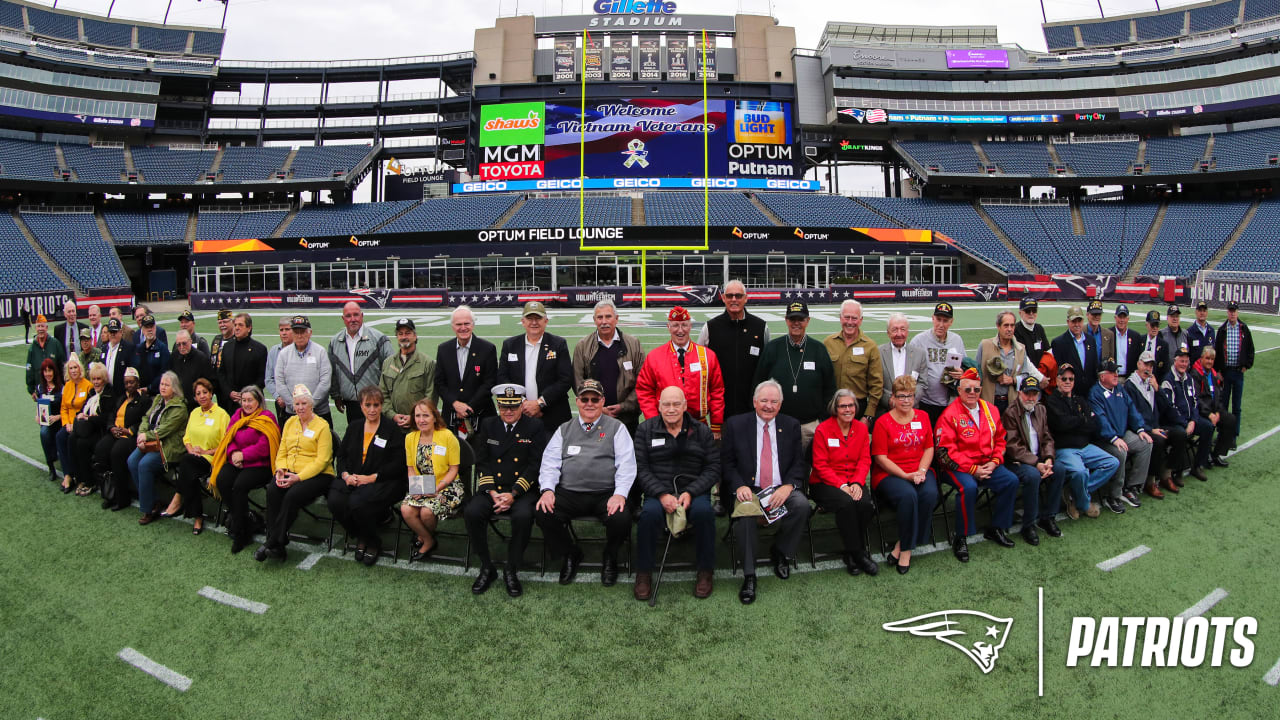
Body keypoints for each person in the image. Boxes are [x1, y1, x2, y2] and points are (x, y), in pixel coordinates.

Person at [535, 379, 636, 586]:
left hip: (605, 493)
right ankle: (570, 553)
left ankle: (610, 556)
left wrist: (620, 494)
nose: (589, 403)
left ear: (602, 401)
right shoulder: (564, 429)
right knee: (543, 512)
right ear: (577, 401)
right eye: (585, 399)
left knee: (621, 517)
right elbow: (549, 463)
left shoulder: (617, 428)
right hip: (569, 492)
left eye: (595, 399)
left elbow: (626, 464)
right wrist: (547, 489)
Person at [721, 379, 811, 605]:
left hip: (781, 486)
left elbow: (799, 463)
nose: (768, 406)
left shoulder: (790, 425)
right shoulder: (735, 424)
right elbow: (726, 463)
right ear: (754, 402)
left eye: (774, 401)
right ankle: (749, 575)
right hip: (748, 488)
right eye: (764, 401)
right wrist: (739, 485)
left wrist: (788, 486)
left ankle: (781, 552)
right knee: (746, 513)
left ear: (780, 404)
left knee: (801, 505)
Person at [632, 386, 721, 601]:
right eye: (666, 404)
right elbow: (640, 468)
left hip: (694, 492)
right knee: (649, 515)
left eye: (676, 404)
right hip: (658, 492)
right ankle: (643, 573)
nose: (671, 409)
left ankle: (705, 571)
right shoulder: (645, 430)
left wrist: (691, 492)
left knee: (704, 513)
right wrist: (662, 494)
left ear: (684, 406)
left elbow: (713, 468)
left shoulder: (702, 431)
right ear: (659, 406)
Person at [465, 384, 549, 597]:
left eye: (513, 407)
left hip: (521, 490)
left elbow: (535, 465)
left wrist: (513, 494)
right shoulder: (488, 424)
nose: (508, 412)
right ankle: (487, 567)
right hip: (493, 488)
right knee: (472, 512)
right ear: (498, 405)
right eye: (503, 407)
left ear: (521, 405)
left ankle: (511, 569)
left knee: (523, 516)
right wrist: (492, 492)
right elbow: (482, 461)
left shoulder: (535, 427)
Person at [934, 369, 1020, 562]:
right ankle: (961, 536)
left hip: (987, 464)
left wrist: (994, 462)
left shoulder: (991, 409)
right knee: (969, 486)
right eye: (967, 389)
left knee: (1011, 481)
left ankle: (996, 527)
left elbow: (1000, 439)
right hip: (957, 467)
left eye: (976, 389)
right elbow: (945, 453)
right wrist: (973, 469)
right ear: (959, 390)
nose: (972, 393)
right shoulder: (949, 414)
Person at [255, 385, 334, 562]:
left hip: (318, 475)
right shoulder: (290, 423)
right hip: (290, 472)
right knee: (273, 490)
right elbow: (282, 450)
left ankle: (272, 541)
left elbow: (322, 460)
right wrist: (280, 469)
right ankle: (278, 546)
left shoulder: (322, 426)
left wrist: (298, 477)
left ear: (311, 404)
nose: (300, 407)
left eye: (304, 403)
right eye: (297, 404)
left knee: (292, 495)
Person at [329, 386, 406, 567]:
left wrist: (372, 478)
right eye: (368, 405)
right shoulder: (354, 426)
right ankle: (362, 534)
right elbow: (341, 456)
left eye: (376, 405)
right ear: (361, 406)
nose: (372, 410)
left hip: (385, 481)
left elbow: (398, 463)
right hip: (354, 479)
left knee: (358, 503)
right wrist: (346, 475)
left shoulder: (391, 429)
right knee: (334, 501)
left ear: (381, 406)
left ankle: (372, 542)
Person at [872, 375, 938, 575]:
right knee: (908, 496)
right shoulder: (883, 422)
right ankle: (907, 551)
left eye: (910, 395)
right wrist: (905, 475)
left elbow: (929, 448)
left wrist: (922, 471)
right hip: (890, 473)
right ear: (893, 397)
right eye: (901, 396)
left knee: (929, 494)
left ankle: (901, 545)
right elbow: (880, 457)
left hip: (919, 470)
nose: (906, 400)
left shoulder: (923, 417)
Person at [809, 388, 880, 577]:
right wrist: (842, 486)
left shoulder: (862, 429)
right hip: (825, 483)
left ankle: (850, 552)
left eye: (851, 405)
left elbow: (865, 459)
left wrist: (857, 483)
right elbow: (820, 465)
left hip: (853, 481)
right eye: (843, 406)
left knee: (865, 505)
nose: (847, 409)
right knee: (846, 503)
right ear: (835, 408)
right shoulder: (823, 430)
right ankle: (858, 553)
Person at [208, 386, 280, 553]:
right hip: (237, 461)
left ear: (259, 401)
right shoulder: (237, 416)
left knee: (239, 486)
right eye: (244, 400)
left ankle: (241, 533)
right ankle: (247, 519)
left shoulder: (267, 417)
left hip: (260, 465)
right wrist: (233, 453)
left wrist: (243, 455)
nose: (247, 404)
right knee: (222, 480)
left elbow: (264, 446)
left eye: (250, 401)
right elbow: (229, 437)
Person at [1043, 363, 1118, 520]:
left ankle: (1073, 492)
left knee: (1112, 463)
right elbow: (1061, 424)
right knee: (1080, 472)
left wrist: (1076, 422)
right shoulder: (1051, 401)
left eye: (1071, 379)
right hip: (1065, 449)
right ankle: (1084, 504)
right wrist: (1082, 420)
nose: (1068, 382)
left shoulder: (1080, 400)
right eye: (1064, 378)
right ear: (1057, 380)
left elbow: (1093, 424)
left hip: (1085, 446)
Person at [636, 306, 725, 437]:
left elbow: (717, 391)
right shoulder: (655, 357)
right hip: (665, 426)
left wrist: (716, 425)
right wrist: (654, 421)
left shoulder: (707, 356)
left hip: (698, 426)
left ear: (690, 326)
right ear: (668, 327)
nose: (680, 330)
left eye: (684, 325)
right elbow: (644, 391)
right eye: (675, 325)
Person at [758, 301, 835, 450]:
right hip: (777, 424)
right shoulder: (773, 348)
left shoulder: (818, 349)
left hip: (811, 426)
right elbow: (758, 384)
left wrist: (822, 421)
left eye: (801, 319)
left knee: (808, 467)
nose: (796, 323)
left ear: (808, 321)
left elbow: (830, 388)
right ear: (786, 320)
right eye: (792, 319)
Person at [1002, 376, 1066, 545]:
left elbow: (1047, 438)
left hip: (1040, 458)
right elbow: (1012, 446)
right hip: (1018, 461)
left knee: (1059, 469)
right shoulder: (1010, 412)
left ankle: (1048, 517)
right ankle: (1028, 524)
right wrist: (1036, 463)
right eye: (1027, 394)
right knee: (1032, 476)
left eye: (1034, 394)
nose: (1030, 398)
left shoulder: (1041, 409)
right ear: (1019, 393)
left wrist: (1049, 459)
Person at [162, 379, 229, 535]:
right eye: (198, 394)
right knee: (189, 471)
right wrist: (191, 450)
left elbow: (226, 444)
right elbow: (186, 438)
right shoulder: (194, 413)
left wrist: (205, 452)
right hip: (192, 458)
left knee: (186, 463)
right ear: (195, 398)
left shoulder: (222, 415)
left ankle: (179, 498)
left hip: (211, 459)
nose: (202, 396)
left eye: (205, 392)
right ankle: (198, 517)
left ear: (211, 393)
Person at [400, 397, 462, 562]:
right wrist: (416, 489)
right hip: (422, 484)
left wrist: (437, 488)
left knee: (427, 512)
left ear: (435, 417)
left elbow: (454, 470)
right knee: (406, 510)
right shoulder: (410, 438)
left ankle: (424, 539)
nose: (421, 420)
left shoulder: (447, 436)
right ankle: (428, 538)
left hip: (448, 485)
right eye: (418, 416)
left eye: (426, 415)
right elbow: (411, 469)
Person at [497, 302, 574, 434]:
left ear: (546, 321)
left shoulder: (558, 344)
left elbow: (565, 379)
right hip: (520, 414)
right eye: (529, 318)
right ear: (523, 321)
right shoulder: (510, 345)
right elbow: (503, 378)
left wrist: (540, 403)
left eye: (538, 318)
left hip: (553, 415)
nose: (534, 322)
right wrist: (523, 403)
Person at [698, 280, 769, 420]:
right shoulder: (710, 327)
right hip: (720, 408)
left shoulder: (760, 327)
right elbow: (701, 364)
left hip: (752, 408)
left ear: (746, 298)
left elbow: (766, 365)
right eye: (729, 296)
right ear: (723, 298)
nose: (734, 299)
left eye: (738, 295)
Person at [1090, 359, 1155, 512]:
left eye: (1116, 372)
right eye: (1112, 372)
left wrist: (1140, 429)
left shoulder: (1120, 389)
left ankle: (1131, 486)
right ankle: (1113, 495)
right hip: (1104, 439)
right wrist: (1113, 438)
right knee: (1120, 452)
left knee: (1145, 443)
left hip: (1122, 433)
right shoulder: (1095, 394)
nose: (1116, 375)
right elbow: (1100, 420)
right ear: (1102, 376)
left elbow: (1131, 409)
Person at [572, 300, 643, 433]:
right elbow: (577, 382)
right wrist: (598, 407)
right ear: (594, 320)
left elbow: (642, 381)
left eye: (608, 316)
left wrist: (624, 406)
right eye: (600, 317)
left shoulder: (633, 344)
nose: (604, 321)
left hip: (628, 419)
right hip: (594, 418)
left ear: (616, 319)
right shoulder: (582, 346)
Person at [128, 371, 189, 524]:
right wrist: (141, 433)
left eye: (166, 385)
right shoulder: (158, 399)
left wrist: (146, 436)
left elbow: (165, 429)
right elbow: (145, 418)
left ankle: (148, 509)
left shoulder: (180, 408)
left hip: (168, 446)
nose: (162, 387)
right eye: (162, 384)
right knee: (132, 461)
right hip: (151, 441)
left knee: (144, 465)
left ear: (174, 388)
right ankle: (152, 500)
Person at [1126, 351, 1188, 497]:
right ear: (1138, 364)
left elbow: (1166, 407)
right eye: (1145, 364)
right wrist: (1151, 429)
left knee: (1180, 434)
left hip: (1157, 425)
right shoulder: (1130, 385)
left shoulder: (1152, 382)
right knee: (1158, 441)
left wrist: (1158, 389)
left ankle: (1166, 474)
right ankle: (1150, 480)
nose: (1148, 368)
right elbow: (1132, 415)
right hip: (1141, 429)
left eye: (1151, 366)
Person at [434, 305, 496, 436]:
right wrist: (455, 404)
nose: (463, 328)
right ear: (452, 326)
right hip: (451, 415)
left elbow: (490, 382)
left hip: (481, 415)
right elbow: (439, 383)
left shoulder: (488, 349)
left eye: (467, 323)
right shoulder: (443, 349)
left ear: (473, 324)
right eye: (458, 324)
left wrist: (469, 407)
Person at [330, 301, 393, 430]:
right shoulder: (335, 342)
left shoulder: (379, 338)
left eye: (356, 315)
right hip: (351, 403)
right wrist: (336, 395)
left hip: (375, 403)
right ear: (343, 319)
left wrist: (387, 397)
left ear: (362, 316)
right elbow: (333, 372)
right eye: (348, 316)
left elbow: (390, 371)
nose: (352, 319)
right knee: (357, 440)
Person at [95, 368, 149, 511]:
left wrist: (130, 430)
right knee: (101, 449)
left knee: (116, 453)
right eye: (126, 383)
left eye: (131, 382)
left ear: (137, 383)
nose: (129, 385)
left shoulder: (144, 400)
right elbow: (112, 416)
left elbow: (145, 421)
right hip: (116, 433)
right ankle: (108, 494)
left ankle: (122, 497)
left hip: (130, 437)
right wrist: (112, 427)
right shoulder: (121, 398)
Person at [822, 299, 883, 427]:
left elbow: (876, 385)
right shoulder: (828, 343)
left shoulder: (870, 347)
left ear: (860, 320)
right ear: (840, 318)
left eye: (854, 318)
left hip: (858, 408)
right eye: (846, 317)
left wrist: (868, 416)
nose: (850, 322)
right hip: (832, 407)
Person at [976, 311, 1043, 417]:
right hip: (989, 402)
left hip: (1011, 403)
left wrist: (1013, 380)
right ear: (998, 326)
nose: (1009, 329)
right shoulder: (985, 345)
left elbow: (1026, 375)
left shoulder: (1021, 349)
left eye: (1012, 325)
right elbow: (977, 373)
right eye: (1006, 325)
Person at [910, 302, 966, 425]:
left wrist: (961, 373)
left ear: (951, 322)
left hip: (950, 403)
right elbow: (909, 371)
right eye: (938, 319)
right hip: (925, 403)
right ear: (932, 318)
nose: (941, 324)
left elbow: (965, 366)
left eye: (945, 321)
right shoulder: (919, 341)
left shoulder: (957, 340)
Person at [1162, 347, 1213, 481]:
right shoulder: (1168, 381)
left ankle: (1197, 466)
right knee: (1181, 434)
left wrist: (1193, 421)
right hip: (1175, 423)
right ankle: (1177, 470)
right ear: (1175, 361)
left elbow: (1196, 402)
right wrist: (1185, 423)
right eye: (1181, 361)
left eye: (1186, 361)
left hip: (1189, 421)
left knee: (1208, 427)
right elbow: (1170, 409)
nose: (1184, 364)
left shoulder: (1189, 378)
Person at [380, 318, 438, 430]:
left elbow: (431, 397)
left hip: (419, 426)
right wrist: (393, 415)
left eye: (408, 333)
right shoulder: (388, 363)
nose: (404, 336)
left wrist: (415, 417)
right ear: (397, 337)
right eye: (400, 334)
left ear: (415, 336)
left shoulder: (427, 363)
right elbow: (383, 394)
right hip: (393, 425)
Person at [274, 315, 333, 428]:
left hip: (319, 412)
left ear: (310, 333)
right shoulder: (283, 354)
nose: (300, 335)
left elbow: (325, 381)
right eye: (296, 332)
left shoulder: (320, 352)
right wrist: (295, 405)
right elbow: (280, 382)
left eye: (303, 331)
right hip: (292, 413)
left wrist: (310, 405)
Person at [69, 362, 113, 496]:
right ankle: (78, 476)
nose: (96, 382)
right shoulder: (92, 393)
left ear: (104, 379)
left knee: (82, 444)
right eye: (93, 379)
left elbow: (106, 418)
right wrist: (81, 415)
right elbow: (83, 409)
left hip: (100, 431)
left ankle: (90, 481)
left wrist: (90, 418)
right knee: (71, 438)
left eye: (98, 379)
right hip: (89, 429)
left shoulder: (109, 394)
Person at [1190, 347, 1236, 469]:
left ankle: (1216, 454)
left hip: (1213, 410)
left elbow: (1218, 396)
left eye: (1212, 359)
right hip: (1201, 412)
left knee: (1230, 420)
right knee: (1208, 425)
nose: (1210, 361)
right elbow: (1196, 399)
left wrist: (1217, 412)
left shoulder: (1214, 374)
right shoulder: (1195, 374)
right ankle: (1204, 458)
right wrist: (1209, 414)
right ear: (1201, 359)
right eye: (1207, 358)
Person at [1215, 300, 1253, 437]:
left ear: (1237, 312)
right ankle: (1222, 433)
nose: (1232, 313)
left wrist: (1246, 366)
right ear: (1227, 312)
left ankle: (1234, 434)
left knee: (1237, 406)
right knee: (1223, 404)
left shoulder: (1244, 328)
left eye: (1234, 311)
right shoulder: (1222, 330)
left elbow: (1250, 350)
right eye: (1230, 311)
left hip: (1238, 372)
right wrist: (1218, 370)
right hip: (1225, 372)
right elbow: (1217, 351)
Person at [55, 356, 92, 494]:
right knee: (60, 436)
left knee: (72, 440)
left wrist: (74, 423)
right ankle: (68, 474)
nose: (73, 370)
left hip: (81, 423)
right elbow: (63, 408)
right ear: (68, 371)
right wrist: (67, 423)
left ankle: (76, 474)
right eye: (71, 368)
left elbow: (87, 408)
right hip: (69, 423)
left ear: (80, 369)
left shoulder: (88, 385)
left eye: (75, 367)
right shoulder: (68, 386)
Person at [876, 313, 925, 417]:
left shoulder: (919, 354)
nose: (899, 334)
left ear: (907, 331)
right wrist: (890, 401)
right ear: (888, 333)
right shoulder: (878, 353)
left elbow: (922, 384)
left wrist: (909, 401)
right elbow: (875, 383)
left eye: (903, 329)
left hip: (911, 413)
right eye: (894, 330)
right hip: (886, 412)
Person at [218, 313, 268, 414]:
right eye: (235, 325)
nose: (236, 328)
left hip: (252, 403)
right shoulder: (227, 347)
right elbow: (221, 373)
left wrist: (246, 395)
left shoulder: (260, 349)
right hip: (230, 403)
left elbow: (262, 378)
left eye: (240, 325)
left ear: (249, 328)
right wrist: (229, 392)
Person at [1051, 306, 1099, 399]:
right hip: (1071, 394)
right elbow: (1059, 371)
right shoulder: (1059, 343)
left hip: (1090, 393)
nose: (1077, 324)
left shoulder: (1091, 340)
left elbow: (1094, 366)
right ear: (1068, 322)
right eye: (1074, 321)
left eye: (1079, 321)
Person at [34, 358, 63, 482]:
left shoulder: (62, 387)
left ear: (54, 371)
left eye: (49, 370)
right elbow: (39, 405)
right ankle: (50, 465)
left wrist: (57, 417)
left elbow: (66, 407)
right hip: (47, 422)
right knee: (44, 432)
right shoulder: (40, 387)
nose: (47, 374)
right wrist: (37, 415)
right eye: (45, 371)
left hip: (59, 420)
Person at [171, 329, 215, 410]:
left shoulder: (201, 358)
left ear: (190, 341)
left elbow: (210, 382)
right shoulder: (174, 357)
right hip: (178, 405)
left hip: (196, 406)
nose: (181, 347)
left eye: (184, 343)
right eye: (178, 344)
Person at [26, 315, 67, 398]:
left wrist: (65, 384)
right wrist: (31, 390)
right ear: (35, 328)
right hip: (40, 390)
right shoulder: (32, 349)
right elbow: (29, 370)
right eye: (38, 326)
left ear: (47, 327)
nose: (40, 329)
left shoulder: (55, 344)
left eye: (42, 326)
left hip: (57, 389)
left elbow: (63, 365)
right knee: (42, 410)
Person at [132, 314, 170, 397]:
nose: (149, 330)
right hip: (140, 393)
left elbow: (164, 372)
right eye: (146, 327)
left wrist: (150, 388)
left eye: (151, 327)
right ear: (142, 329)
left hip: (157, 394)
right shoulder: (139, 349)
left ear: (155, 328)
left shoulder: (162, 348)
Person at [1102, 305, 1143, 379]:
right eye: (1120, 317)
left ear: (1128, 319)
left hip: (1130, 378)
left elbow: (1138, 358)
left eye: (1124, 317)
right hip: (1112, 377)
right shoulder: (1107, 334)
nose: (1122, 320)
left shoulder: (1135, 337)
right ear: (1115, 318)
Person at [264, 316, 294, 414]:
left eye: (287, 329)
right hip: (281, 402)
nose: (284, 333)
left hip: (299, 401)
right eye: (281, 330)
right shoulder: (273, 351)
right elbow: (269, 379)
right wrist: (278, 396)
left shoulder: (300, 350)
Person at [101, 318, 134, 394]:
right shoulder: (104, 349)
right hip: (107, 392)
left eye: (115, 332)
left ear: (121, 332)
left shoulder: (128, 348)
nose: (113, 334)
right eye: (111, 332)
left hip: (122, 393)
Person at [1015, 297, 1050, 366]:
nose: (1031, 313)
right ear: (1020, 313)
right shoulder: (1015, 330)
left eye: (1034, 310)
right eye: (1027, 311)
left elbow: (1047, 351)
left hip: (1041, 372)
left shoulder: (1039, 328)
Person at [208, 308, 234, 382]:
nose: (222, 325)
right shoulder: (217, 339)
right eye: (220, 323)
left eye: (225, 322)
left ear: (232, 322)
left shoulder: (237, 340)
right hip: (218, 384)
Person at [1084, 300, 1106, 368]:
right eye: (1094, 314)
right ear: (1087, 315)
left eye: (1099, 314)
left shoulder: (1108, 334)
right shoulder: (1080, 332)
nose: (1096, 317)